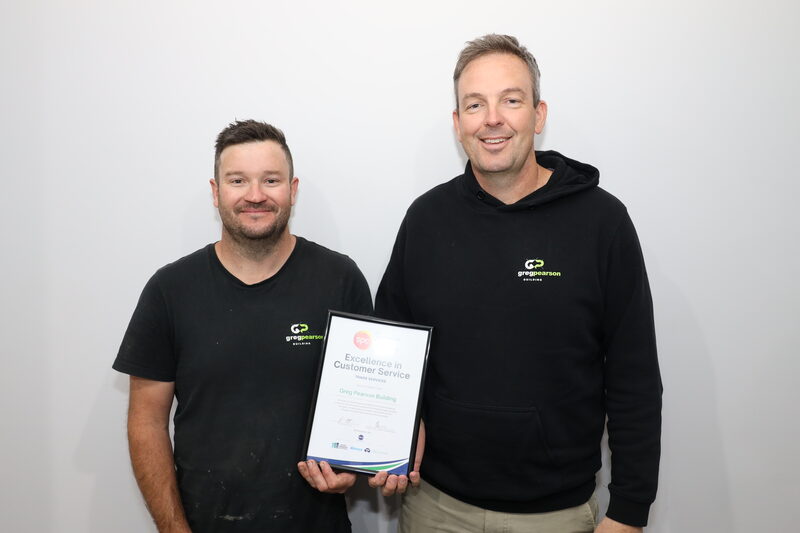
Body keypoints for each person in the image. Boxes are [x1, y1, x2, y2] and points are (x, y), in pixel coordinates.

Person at [372, 34, 662, 532]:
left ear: (538, 114)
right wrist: (394, 425)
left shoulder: (602, 223)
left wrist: (629, 513)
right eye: (474, 104)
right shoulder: (426, 220)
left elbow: (633, 376)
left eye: (510, 100)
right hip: (436, 508)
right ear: (458, 122)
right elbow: (390, 349)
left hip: (558, 515)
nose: (492, 119)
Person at [113, 120, 372, 532]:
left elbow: (365, 401)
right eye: (238, 180)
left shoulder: (340, 280)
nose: (255, 195)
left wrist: (352, 469)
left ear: (292, 189)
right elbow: (146, 422)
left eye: (271, 180)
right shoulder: (169, 290)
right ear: (216, 192)